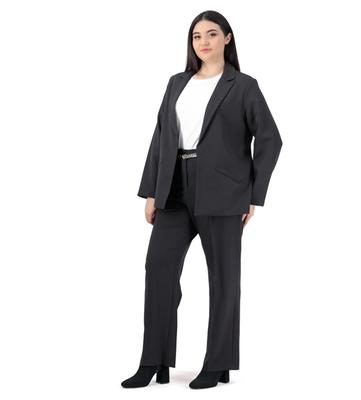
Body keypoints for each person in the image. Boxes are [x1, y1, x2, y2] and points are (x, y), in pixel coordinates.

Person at [121, 10, 283, 390]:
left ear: (227, 38)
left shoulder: (243, 86)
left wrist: (253, 194)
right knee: (158, 270)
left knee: (223, 279)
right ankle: (153, 361)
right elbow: (160, 137)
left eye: (211, 34)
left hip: (224, 193)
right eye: (196, 36)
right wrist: (151, 191)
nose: (203, 42)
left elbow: (270, 139)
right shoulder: (177, 83)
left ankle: (217, 364)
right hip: (174, 187)